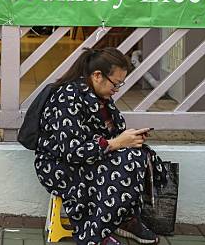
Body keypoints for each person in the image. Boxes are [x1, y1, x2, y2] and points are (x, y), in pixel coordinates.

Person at [35, 47, 167, 245]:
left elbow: (111, 135)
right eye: (116, 83)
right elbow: (72, 151)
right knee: (128, 161)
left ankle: (124, 219)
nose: (117, 89)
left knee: (139, 155)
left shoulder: (100, 97)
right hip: (58, 165)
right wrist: (117, 143)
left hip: (91, 157)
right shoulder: (67, 97)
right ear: (97, 76)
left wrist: (128, 139)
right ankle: (94, 232)